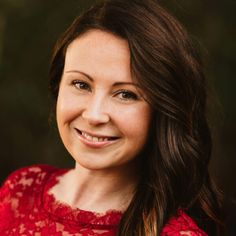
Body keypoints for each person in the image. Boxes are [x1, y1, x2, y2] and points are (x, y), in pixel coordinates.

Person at [0, 0, 223, 235]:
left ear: (163, 109)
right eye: (80, 84)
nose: (94, 115)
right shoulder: (20, 190)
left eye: (126, 94)